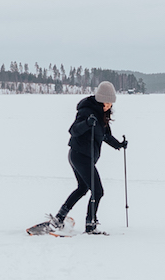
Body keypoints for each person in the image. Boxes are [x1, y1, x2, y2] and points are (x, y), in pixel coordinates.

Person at [54, 81, 127, 233]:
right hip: (80, 156)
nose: (108, 106)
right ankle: (90, 224)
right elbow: (73, 130)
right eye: (106, 103)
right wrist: (87, 123)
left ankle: (60, 217)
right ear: (100, 99)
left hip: (84, 157)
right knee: (98, 191)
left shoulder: (102, 115)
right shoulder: (87, 111)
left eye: (110, 103)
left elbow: (106, 135)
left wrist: (119, 145)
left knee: (83, 188)